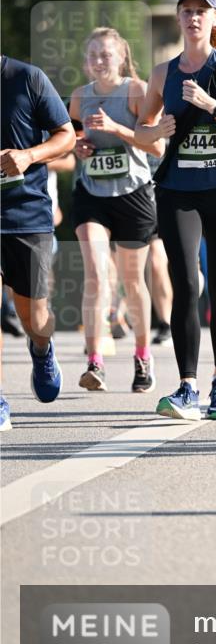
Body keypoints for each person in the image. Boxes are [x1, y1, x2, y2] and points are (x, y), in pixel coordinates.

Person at [136, 0, 216, 419]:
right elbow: (142, 133)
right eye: (186, 10)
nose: (193, 18)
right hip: (178, 192)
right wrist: (157, 133)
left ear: (214, 19)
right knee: (186, 283)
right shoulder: (162, 73)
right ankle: (187, 386)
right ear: (178, 18)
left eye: (201, 11)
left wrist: (214, 107)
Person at [69, 27, 163, 393]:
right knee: (95, 273)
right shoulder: (79, 98)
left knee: (131, 281)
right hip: (91, 193)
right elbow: (71, 139)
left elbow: (157, 148)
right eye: (93, 55)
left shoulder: (137, 92)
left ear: (121, 56)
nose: (99, 61)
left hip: (133, 194)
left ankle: (142, 356)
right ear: (85, 61)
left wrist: (117, 128)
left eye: (106, 55)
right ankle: (95, 362)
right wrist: (79, 147)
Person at [0, 55, 76, 430]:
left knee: (35, 317)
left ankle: (42, 349)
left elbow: (67, 135)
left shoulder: (27, 78)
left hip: (26, 213)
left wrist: (28, 156)